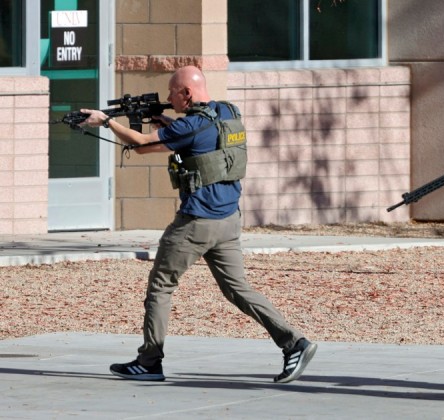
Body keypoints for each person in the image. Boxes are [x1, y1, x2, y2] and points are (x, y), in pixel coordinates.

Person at [80, 65, 316, 383]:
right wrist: (167, 124)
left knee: (161, 285)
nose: (168, 97)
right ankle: (295, 343)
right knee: (238, 289)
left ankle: (149, 362)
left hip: (197, 222)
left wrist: (106, 122)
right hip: (228, 220)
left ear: (187, 93)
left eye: (172, 92)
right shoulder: (227, 112)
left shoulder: (190, 124)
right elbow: (196, 139)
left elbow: (141, 143)